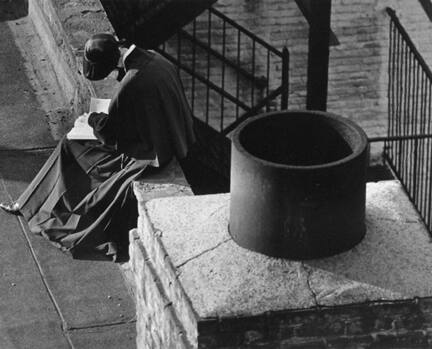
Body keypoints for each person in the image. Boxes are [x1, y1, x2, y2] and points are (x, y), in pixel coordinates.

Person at [0, 33, 196, 261]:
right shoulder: (154, 57)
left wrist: (91, 119)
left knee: (70, 144)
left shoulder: (132, 82)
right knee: (75, 146)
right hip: (171, 139)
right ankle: (32, 202)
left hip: (149, 153)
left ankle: (34, 203)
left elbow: (109, 133)